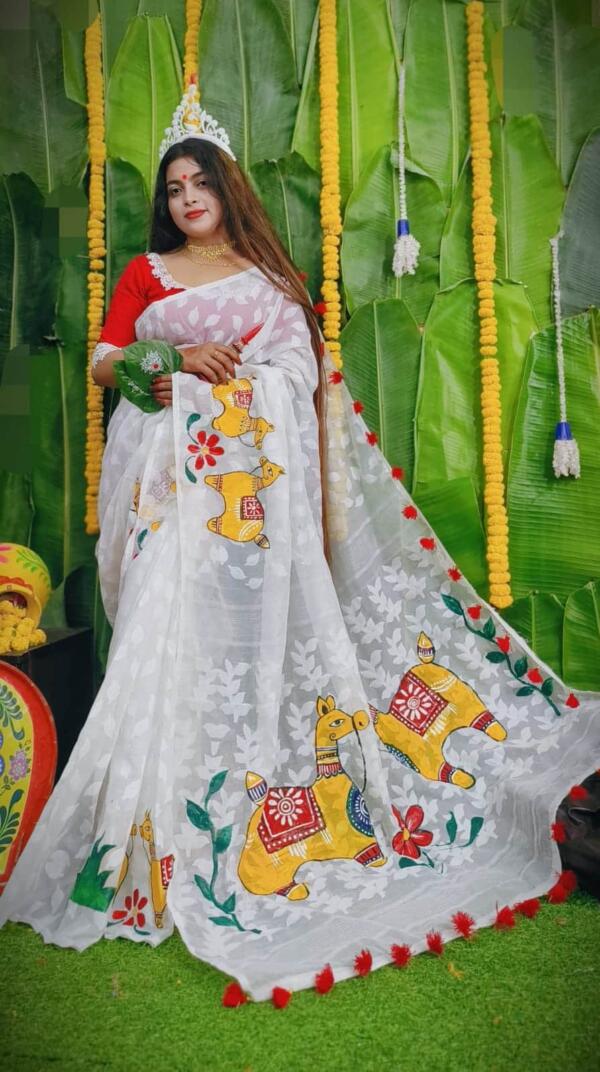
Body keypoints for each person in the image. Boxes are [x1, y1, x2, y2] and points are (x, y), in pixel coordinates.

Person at [1, 81, 598, 1002]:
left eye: (199, 183)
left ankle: (240, 829)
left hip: (248, 513)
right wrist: (175, 364)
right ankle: (144, 848)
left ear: (226, 187)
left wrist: (233, 389)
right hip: (170, 499)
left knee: (237, 652)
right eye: (173, 189)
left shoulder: (267, 277)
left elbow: (296, 376)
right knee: (160, 649)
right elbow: (110, 360)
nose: (186, 199)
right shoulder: (144, 277)